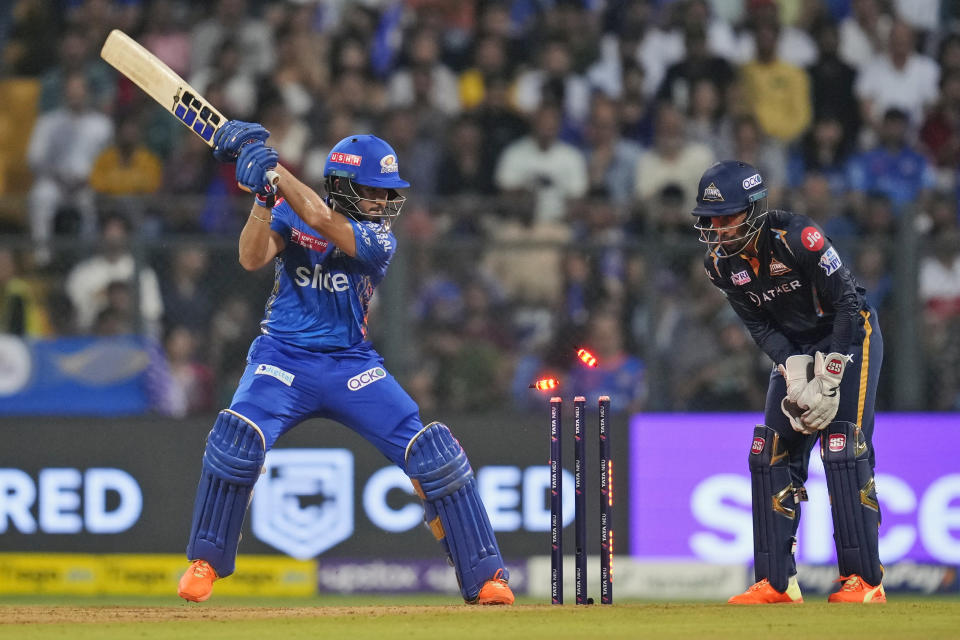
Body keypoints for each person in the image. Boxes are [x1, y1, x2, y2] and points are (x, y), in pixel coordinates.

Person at [175, 121, 514, 606]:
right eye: (373, 191)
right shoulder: (291, 210)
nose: (384, 203)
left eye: (387, 193)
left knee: (433, 452)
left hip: (350, 367)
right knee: (236, 440)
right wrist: (262, 198)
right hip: (282, 358)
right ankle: (204, 563)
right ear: (343, 185)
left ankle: (486, 578)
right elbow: (251, 258)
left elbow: (318, 216)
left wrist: (272, 166)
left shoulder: (378, 240)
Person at [691, 160, 885, 604]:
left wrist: (831, 375)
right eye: (711, 221)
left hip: (850, 337)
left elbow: (848, 306)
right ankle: (777, 583)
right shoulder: (719, 264)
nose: (717, 230)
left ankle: (865, 581)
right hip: (796, 349)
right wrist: (793, 365)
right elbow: (758, 324)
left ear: (755, 210)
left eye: (727, 218)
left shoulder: (799, 237)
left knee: (843, 446)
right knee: (769, 453)